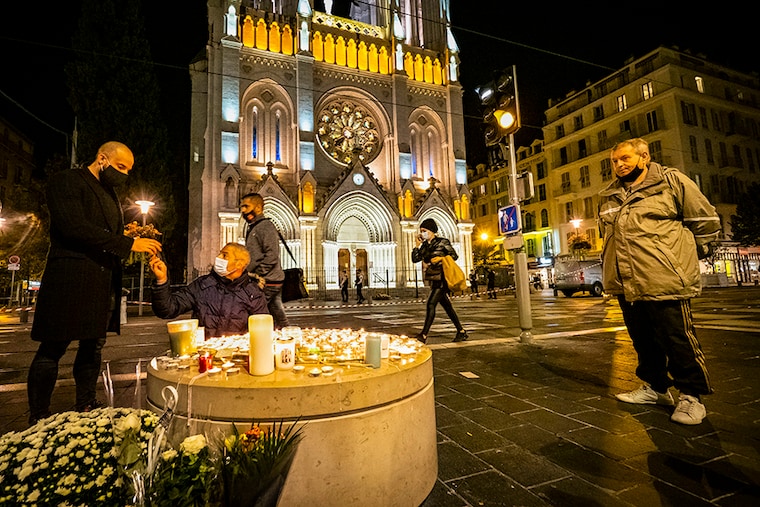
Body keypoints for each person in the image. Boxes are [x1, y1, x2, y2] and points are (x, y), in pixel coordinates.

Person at [27, 142, 162, 424]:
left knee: (93, 346)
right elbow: (73, 227)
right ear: (102, 159)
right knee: (52, 348)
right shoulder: (66, 181)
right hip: (70, 279)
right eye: (121, 167)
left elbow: (101, 232)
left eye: (128, 170)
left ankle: (86, 403)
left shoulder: (109, 193)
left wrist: (125, 235)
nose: (124, 174)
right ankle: (38, 415)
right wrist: (127, 243)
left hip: (100, 281)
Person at [599, 138, 721, 425]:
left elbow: (704, 220)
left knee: (677, 339)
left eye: (625, 158)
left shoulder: (670, 181)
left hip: (663, 277)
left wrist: (686, 257)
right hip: (626, 282)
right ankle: (656, 388)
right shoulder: (609, 194)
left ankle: (692, 396)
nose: (619, 165)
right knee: (642, 340)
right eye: (615, 161)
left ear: (644, 156)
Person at [149, 243, 268, 338]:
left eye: (225, 255)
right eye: (219, 254)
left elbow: (262, 333)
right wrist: (161, 280)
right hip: (204, 358)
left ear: (239, 264)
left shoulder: (254, 294)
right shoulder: (202, 285)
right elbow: (167, 309)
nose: (218, 258)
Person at [411, 218, 468, 344]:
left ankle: (423, 335)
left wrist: (440, 259)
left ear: (432, 231)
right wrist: (417, 245)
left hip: (443, 278)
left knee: (431, 304)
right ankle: (461, 331)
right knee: (447, 307)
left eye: (424, 230)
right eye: (421, 231)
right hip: (434, 278)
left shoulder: (443, 242)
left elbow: (454, 256)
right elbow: (415, 259)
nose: (422, 233)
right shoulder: (425, 245)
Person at [240, 193, 290, 328]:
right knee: (278, 314)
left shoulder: (265, 226)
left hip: (267, 281)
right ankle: (287, 337)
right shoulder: (254, 227)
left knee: (254, 314)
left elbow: (272, 255)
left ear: (258, 207)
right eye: (242, 207)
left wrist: (258, 275)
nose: (243, 210)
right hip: (270, 280)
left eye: (246, 206)